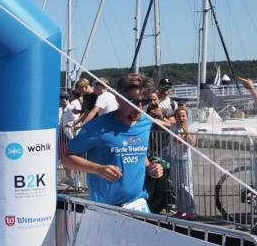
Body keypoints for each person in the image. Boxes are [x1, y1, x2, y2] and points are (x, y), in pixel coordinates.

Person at [61, 73, 165, 212]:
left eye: (144, 102)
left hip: (139, 204)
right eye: (133, 102)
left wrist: (151, 168)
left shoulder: (145, 123)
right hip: (106, 209)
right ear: (118, 99)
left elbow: (139, 152)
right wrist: (98, 169)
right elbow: (66, 159)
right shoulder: (97, 126)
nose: (139, 107)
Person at [165, 107, 196, 216]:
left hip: (185, 159)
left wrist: (186, 131)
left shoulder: (191, 127)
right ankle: (180, 210)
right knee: (177, 185)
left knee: (187, 185)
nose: (181, 118)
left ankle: (190, 211)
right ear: (175, 118)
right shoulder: (173, 126)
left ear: (187, 117)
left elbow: (192, 143)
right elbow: (161, 121)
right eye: (178, 116)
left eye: (183, 116)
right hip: (174, 159)